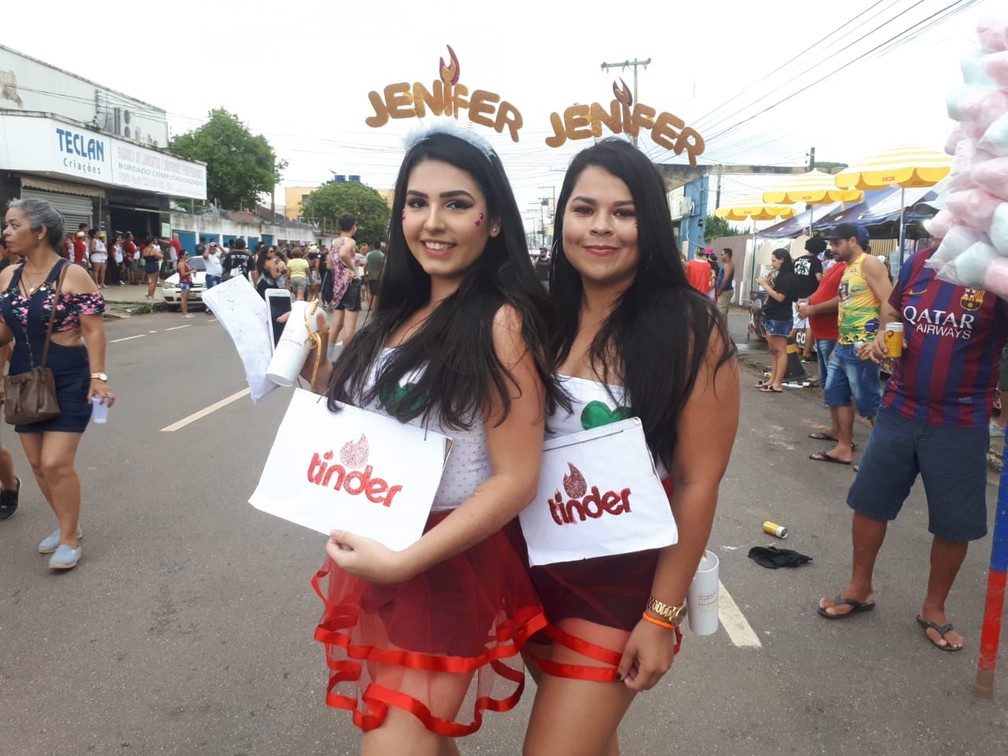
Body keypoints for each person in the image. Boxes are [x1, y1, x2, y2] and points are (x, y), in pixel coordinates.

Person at [306, 126, 555, 753]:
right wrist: (307, 364)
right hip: (379, 546)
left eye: (456, 203)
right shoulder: (395, 312)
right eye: (417, 203)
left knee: (394, 739)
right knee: (418, 735)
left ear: (493, 221)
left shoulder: (502, 323)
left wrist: (403, 563)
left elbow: (516, 477)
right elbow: (362, 425)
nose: (432, 222)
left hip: (443, 561)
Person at [521, 138, 738, 755]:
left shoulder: (692, 328)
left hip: (622, 585)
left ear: (650, 223)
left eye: (624, 212)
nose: (601, 228)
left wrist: (662, 615)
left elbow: (698, 480)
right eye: (584, 209)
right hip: (531, 568)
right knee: (591, 740)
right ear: (561, 216)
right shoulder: (537, 317)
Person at [817, 238, 1008, 652]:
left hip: (961, 419)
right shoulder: (921, 262)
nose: (941, 234)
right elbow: (893, 307)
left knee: (954, 522)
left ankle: (934, 608)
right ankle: (859, 587)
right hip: (899, 408)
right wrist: (886, 331)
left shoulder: (996, 272)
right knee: (869, 502)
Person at [0, 198, 114, 570]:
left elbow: (94, 331)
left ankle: (69, 538)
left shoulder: (72, 274)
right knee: (35, 463)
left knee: (55, 462)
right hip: (22, 377)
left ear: (40, 231)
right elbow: (5, 330)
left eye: (14, 225)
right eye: (6, 225)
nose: (6, 232)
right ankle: (68, 524)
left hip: (69, 376)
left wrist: (98, 377)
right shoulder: (7, 276)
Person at [810, 223, 892, 465]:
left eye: (837, 243)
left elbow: (888, 300)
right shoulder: (848, 269)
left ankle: (884, 458)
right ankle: (844, 447)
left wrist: (881, 335)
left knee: (869, 401)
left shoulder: (870, 263)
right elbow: (847, 306)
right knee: (835, 395)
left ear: (853, 241)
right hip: (845, 343)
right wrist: (839, 341)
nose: (832, 248)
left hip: (863, 345)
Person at [797, 251, 848, 444]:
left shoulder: (850, 269)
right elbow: (823, 290)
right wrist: (808, 301)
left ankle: (844, 434)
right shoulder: (836, 266)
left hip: (833, 333)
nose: (833, 248)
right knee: (828, 384)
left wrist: (813, 308)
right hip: (823, 334)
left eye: (837, 243)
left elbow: (844, 298)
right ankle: (837, 428)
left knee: (838, 386)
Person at [755, 249, 798, 393]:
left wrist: (765, 285)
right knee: (773, 350)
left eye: (774, 261)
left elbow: (780, 297)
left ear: (782, 260)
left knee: (780, 350)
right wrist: (768, 283)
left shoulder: (789, 277)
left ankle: (778, 383)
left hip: (781, 316)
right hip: (772, 314)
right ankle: (772, 379)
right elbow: (775, 293)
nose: (772, 264)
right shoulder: (781, 276)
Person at [325, 214, 363, 357]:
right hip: (351, 283)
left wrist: (342, 268)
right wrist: (352, 268)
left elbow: (330, 264)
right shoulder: (350, 241)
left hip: (338, 285)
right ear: (353, 226)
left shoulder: (334, 242)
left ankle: (327, 358)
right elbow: (343, 253)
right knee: (349, 326)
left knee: (336, 325)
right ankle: (346, 360)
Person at [791, 237, 825, 361]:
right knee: (809, 325)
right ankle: (806, 354)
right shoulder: (816, 261)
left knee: (796, 324)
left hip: (796, 297)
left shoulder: (798, 260)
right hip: (810, 297)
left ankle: (786, 349)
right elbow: (819, 279)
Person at [714, 247, 735, 320]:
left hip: (725, 291)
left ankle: (721, 329)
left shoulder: (728, 265)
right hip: (725, 290)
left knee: (721, 312)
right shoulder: (727, 265)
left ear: (727, 255)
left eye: (722, 254)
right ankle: (723, 329)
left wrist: (719, 290)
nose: (721, 256)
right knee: (723, 312)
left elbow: (725, 279)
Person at [140, 236, 163, 301]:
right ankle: (151, 295)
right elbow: (161, 256)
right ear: (150, 243)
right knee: (153, 282)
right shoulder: (153, 250)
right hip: (153, 265)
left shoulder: (144, 250)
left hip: (147, 265)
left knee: (151, 281)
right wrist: (159, 253)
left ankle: (149, 293)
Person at [364, 241, 386, 307]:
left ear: (374, 246)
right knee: (377, 294)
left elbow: (365, 266)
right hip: (379, 277)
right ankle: (375, 307)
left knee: (370, 292)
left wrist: (365, 274)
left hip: (370, 276)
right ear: (380, 247)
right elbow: (384, 267)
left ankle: (370, 306)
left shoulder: (369, 254)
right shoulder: (382, 255)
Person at [177, 250, 194, 317]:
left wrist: (191, 270)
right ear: (182, 255)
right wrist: (191, 272)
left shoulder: (185, 263)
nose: (187, 256)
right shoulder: (181, 263)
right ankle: (184, 313)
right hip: (184, 282)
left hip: (187, 281)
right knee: (183, 298)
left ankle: (186, 312)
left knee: (186, 298)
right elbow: (183, 274)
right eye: (186, 254)